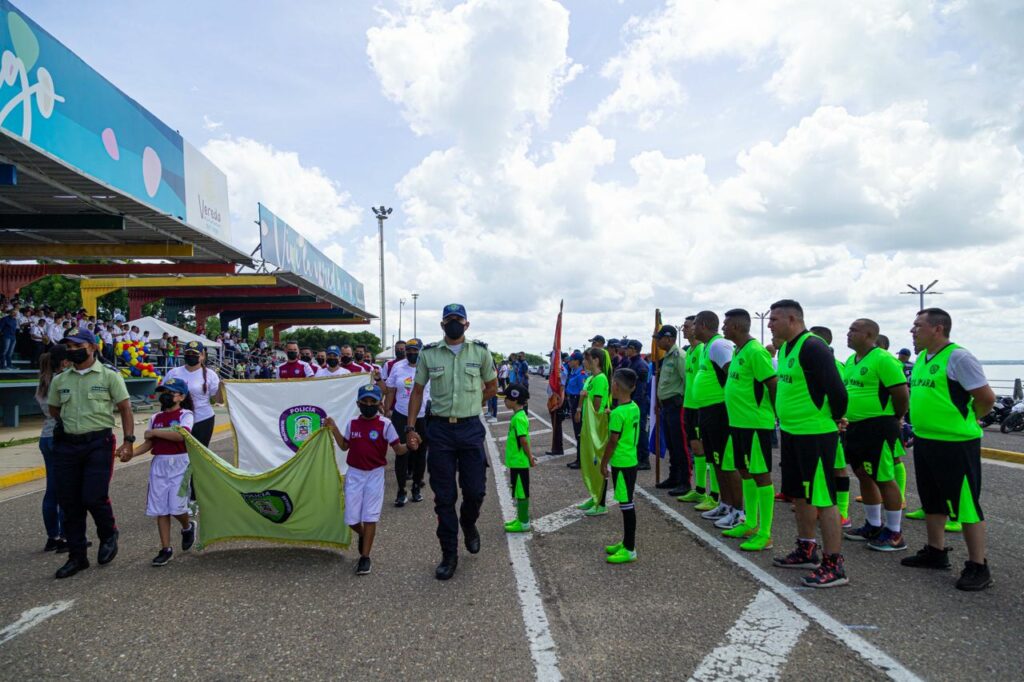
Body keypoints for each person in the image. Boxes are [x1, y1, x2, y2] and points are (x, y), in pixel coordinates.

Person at [901, 308, 995, 591]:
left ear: (938, 329)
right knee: (932, 499)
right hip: (926, 439)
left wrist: (968, 419)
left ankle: (978, 565)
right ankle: (936, 551)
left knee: (965, 503)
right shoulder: (922, 359)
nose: (913, 331)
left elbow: (986, 398)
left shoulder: (959, 357)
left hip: (956, 443)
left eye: (918, 325)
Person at [405, 303, 498, 581]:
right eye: (449, 320)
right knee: (444, 498)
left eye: (459, 319)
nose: (454, 323)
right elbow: (417, 392)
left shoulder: (480, 352)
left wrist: (473, 402)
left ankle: (468, 523)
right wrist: (410, 427)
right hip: (440, 430)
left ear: (467, 324)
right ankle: (449, 554)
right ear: (442, 324)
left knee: (475, 491)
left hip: (470, 429)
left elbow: (492, 386)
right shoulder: (429, 354)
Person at [767, 300, 849, 588]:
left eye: (774, 319)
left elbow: (837, 391)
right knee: (799, 495)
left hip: (815, 433)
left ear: (792, 319)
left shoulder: (813, 346)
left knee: (823, 498)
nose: (769, 325)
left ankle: (834, 564)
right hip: (792, 432)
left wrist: (835, 418)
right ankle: (806, 548)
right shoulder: (786, 349)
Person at [47, 330, 135, 579]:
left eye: (78, 345)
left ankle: (108, 534)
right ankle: (77, 557)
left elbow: (125, 408)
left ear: (93, 347)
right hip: (67, 445)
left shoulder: (109, 376)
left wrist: (128, 441)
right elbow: (54, 409)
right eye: (69, 346)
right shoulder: (60, 380)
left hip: (98, 443)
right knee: (69, 502)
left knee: (93, 496)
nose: (72, 350)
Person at [325, 385, 409, 576]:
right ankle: (364, 534)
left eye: (373, 402)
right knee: (351, 519)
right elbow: (344, 446)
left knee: (370, 516)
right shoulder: (352, 423)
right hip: (354, 474)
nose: (368, 405)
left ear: (379, 404)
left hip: (375, 474)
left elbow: (398, 449)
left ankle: (365, 557)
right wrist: (334, 428)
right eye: (365, 401)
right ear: (358, 403)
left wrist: (411, 446)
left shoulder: (385, 424)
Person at [841, 319, 909, 552]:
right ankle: (873, 524)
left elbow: (901, 394)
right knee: (863, 475)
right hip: (855, 427)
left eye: (854, 330)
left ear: (869, 334)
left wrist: (895, 418)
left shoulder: (883, 359)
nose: (848, 333)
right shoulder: (852, 360)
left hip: (878, 427)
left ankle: (894, 532)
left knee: (884, 478)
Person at [119, 379, 197, 566]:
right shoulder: (155, 418)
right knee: (160, 508)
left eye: (171, 392)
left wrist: (154, 433)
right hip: (159, 464)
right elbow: (149, 444)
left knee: (177, 507)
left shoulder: (186, 415)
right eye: (164, 392)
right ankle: (165, 549)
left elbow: (181, 435)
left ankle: (187, 526)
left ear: (181, 397)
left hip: (181, 464)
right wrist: (131, 454)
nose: (166, 396)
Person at [720, 309, 778, 552]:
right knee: (744, 471)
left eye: (726, 324)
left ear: (736, 326)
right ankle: (750, 523)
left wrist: (776, 416)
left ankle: (765, 533)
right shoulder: (738, 350)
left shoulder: (755, 351)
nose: (723, 328)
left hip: (755, 424)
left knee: (760, 475)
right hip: (738, 424)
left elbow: (773, 384)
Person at [691, 311, 739, 527]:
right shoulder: (707, 347)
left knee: (727, 463)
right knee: (716, 461)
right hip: (707, 411)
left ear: (703, 325)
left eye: (694, 325)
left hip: (720, 411)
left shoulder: (719, 345)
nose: (692, 329)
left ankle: (738, 510)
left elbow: (733, 375)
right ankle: (725, 504)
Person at [809, 325, 853, 529]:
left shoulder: (833, 364)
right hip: (814, 426)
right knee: (821, 468)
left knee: (838, 467)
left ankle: (843, 511)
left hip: (830, 425)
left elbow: (840, 392)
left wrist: (837, 417)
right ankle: (820, 505)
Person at [602, 368, 641, 564]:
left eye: (612, 383)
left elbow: (613, 441)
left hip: (621, 462)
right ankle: (626, 542)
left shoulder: (618, 413)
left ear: (616, 386)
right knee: (626, 502)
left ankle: (630, 548)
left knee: (626, 505)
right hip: (630, 459)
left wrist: (603, 463)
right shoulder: (634, 407)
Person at [384, 338, 430, 506]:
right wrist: (387, 410)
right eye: (409, 350)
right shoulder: (397, 367)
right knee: (401, 453)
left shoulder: (427, 366)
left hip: (422, 416)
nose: (411, 353)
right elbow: (390, 390)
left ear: (421, 351)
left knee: (420, 454)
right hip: (401, 415)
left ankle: (416, 487)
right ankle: (401, 490)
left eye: (415, 350)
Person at [36, 348, 67, 552]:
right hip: (59, 436)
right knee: (65, 489)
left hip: (46, 435)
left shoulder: (42, 383)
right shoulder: (61, 381)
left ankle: (52, 536)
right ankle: (65, 535)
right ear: (63, 362)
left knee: (52, 489)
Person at [679, 316, 712, 505]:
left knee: (703, 449)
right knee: (695, 447)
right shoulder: (690, 351)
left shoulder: (701, 350)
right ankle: (699, 490)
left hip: (700, 407)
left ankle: (712, 494)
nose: (684, 329)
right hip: (689, 406)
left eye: (687, 326)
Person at [654, 326, 690, 496]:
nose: (657, 341)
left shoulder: (679, 356)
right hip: (667, 406)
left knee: (680, 444)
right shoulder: (667, 357)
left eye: (659, 338)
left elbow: (687, 381)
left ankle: (685, 481)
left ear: (669, 338)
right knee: (671, 444)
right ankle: (674, 477)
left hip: (677, 406)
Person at [576, 347, 611, 515]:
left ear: (596, 360)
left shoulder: (601, 379)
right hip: (588, 425)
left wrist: (584, 396)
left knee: (598, 462)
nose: (584, 362)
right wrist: (578, 408)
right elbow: (583, 397)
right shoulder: (591, 378)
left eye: (586, 359)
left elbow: (597, 406)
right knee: (590, 461)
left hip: (598, 425)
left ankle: (601, 503)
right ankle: (594, 495)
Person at [165, 341, 220, 448]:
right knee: (178, 451)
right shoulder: (174, 372)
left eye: (194, 354)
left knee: (199, 453)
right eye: (188, 353)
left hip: (202, 419)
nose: (191, 356)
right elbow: (164, 394)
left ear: (202, 355)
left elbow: (218, 400)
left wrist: (222, 388)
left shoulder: (211, 374)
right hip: (178, 419)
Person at [502, 382, 536, 533]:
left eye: (506, 398)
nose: (504, 401)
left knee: (522, 493)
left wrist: (530, 457)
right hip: (516, 462)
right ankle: (520, 518)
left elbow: (523, 440)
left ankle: (524, 522)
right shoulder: (518, 416)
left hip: (520, 462)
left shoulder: (519, 418)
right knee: (518, 491)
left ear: (514, 400)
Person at [624, 340, 651, 470]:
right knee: (635, 430)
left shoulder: (640, 365)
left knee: (640, 430)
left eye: (628, 348)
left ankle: (644, 459)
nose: (626, 350)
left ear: (634, 349)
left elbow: (641, 388)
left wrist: (633, 403)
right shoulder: (632, 362)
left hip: (639, 403)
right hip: (634, 401)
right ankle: (638, 456)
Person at [564, 351, 586, 464]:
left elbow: (583, 392)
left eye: (571, 360)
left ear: (577, 361)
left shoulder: (581, 374)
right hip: (572, 400)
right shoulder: (574, 372)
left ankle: (580, 460)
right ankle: (579, 458)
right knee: (577, 431)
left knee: (579, 432)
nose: (569, 362)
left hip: (577, 401)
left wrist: (579, 409)